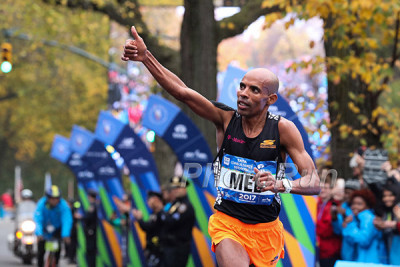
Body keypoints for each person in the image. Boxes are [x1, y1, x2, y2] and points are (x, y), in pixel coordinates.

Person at [121, 26, 321, 266]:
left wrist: (280, 184)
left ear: (271, 99)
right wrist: (146, 58)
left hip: (265, 229)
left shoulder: (282, 129)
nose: (243, 93)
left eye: (254, 90)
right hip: (228, 222)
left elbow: (314, 182)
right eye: (242, 86)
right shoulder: (226, 119)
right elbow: (183, 92)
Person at [342, 189, 385, 263]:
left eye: (359, 204)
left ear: (368, 206)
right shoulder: (356, 218)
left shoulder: (369, 218)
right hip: (359, 261)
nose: (355, 206)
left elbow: (364, 240)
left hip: (369, 261)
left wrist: (350, 225)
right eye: (353, 203)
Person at [33, 185, 72, 267]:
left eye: (57, 198)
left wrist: (65, 234)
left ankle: (56, 263)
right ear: (48, 198)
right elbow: (37, 218)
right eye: (52, 198)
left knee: (58, 248)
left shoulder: (63, 205)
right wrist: (39, 233)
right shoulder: (41, 204)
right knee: (41, 250)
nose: (54, 201)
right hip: (44, 229)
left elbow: (67, 220)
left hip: (57, 230)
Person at [132, 191, 165, 267]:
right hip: (152, 250)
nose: (148, 203)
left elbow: (148, 227)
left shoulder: (162, 213)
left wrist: (140, 219)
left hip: (160, 251)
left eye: (149, 200)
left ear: (156, 199)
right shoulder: (153, 214)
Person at [331, 179, 360, 261]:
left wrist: (345, 215)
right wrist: (334, 218)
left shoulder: (363, 208)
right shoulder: (343, 206)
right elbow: (338, 231)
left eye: (349, 193)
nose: (346, 195)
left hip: (360, 253)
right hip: (346, 252)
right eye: (345, 192)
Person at [373, 183, 400, 265]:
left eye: (390, 195)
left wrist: (395, 223)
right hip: (391, 252)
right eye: (384, 196)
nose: (386, 199)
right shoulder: (387, 211)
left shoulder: (397, 208)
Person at [316, 179, 341, 267]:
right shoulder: (316, 203)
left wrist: (313, 225)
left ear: (331, 190)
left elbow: (326, 230)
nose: (322, 190)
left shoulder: (334, 206)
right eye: (320, 187)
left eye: (325, 188)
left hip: (329, 251)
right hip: (318, 249)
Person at [82, 189, 98, 267]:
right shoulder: (94, 205)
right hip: (91, 232)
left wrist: (82, 218)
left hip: (91, 232)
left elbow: (89, 218)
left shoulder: (93, 206)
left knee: (90, 251)